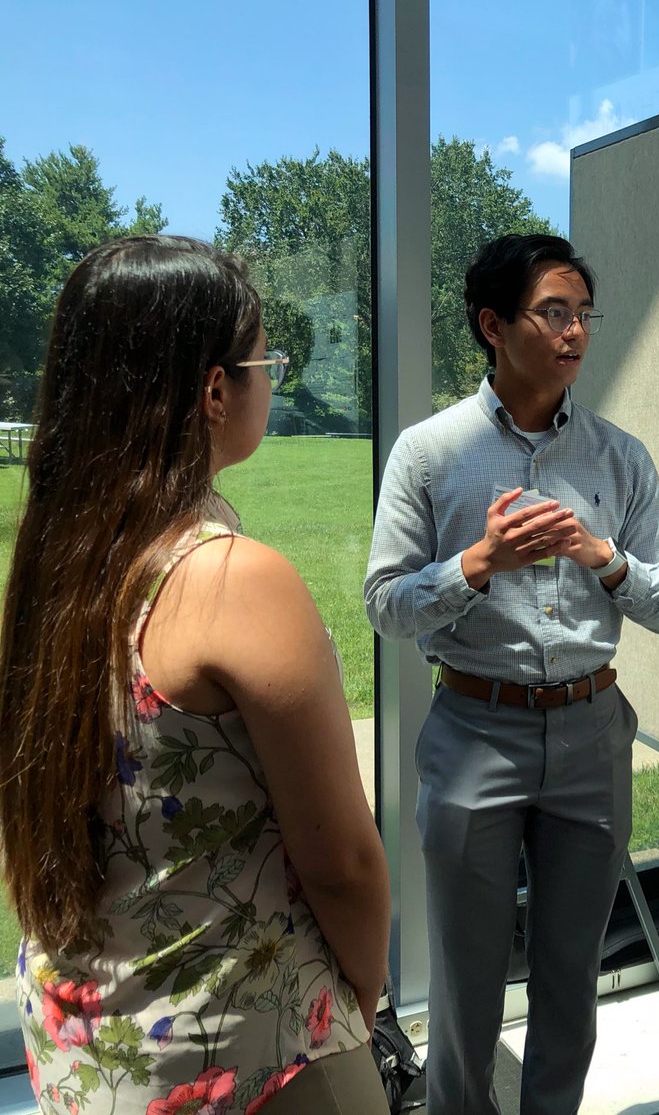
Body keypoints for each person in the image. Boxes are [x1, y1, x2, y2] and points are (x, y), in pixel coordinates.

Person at [0, 235, 391, 1114]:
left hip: (87, 1052)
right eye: (267, 361)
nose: (272, 379)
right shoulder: (231, 576)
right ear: (217, 389)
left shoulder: (55, 568)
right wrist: (355, 1009)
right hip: (247, 1061)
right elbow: (344, 863)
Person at [364, 233, 659, 1115]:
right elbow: (385, 604)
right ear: (492, 325)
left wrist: (604, 557)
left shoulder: (620, 458)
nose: (576, 331)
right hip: (474, 731)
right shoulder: (430, 454)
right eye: (554, 311)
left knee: (571, 976)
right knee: (466, 989)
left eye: (584, 313)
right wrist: (475, 564)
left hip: (591, 731)